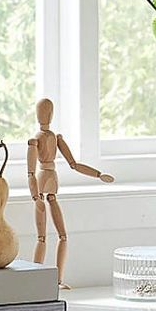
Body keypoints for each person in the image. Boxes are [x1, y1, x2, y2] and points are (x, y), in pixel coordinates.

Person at [27, 96, 113, 288]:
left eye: (47, 112)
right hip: (42, 185)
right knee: (42, 237)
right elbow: (31, 172)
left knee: (62, 235)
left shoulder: (56, 139)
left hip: (51, 185)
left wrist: (98, 174)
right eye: (43, 112)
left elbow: (73, 164)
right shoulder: (35, 141)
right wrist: (35, 197)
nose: (45, 115)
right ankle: (33, 282)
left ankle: (57, 281)